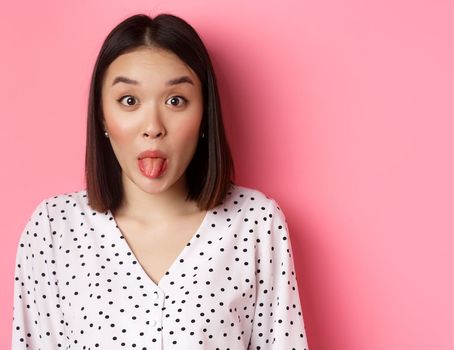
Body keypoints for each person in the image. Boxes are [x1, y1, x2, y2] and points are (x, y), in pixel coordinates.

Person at [11, 13, 309, 349]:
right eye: (129, 101)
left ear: (204, 114)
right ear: (102, 114)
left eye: (175, 101)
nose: (153, 126)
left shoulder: (255, 223)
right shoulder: (54, 229)